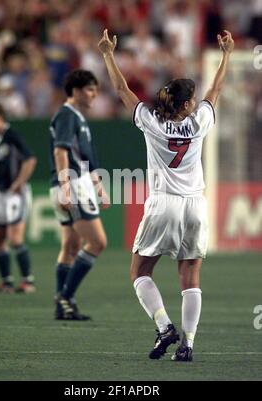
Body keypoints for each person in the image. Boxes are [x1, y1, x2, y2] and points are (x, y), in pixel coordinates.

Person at [98, 29, 234, 361]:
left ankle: (164, 327)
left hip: (163, 203)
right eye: (193, 97)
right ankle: (187, 344)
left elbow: (120, 89)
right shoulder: (200, 120)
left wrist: (107, 55)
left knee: (139, 272)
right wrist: (227, 55)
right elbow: (216, 89)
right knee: (190, 276)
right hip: (195, 205)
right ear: (188, 103)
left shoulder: (151, 121)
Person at [49, 69, 110, 320]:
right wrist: (66, 187)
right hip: (71, 184)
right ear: (75, 91)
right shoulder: (66, 115)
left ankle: (62, 306)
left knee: (71, 245)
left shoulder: (78, 118)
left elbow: (84, 158)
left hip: (77, 182)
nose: (94, 94)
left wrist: (98, 186)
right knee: (97, 242)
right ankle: (65, 296)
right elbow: (60, 152)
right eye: (90, 89)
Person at [0, 100, 37, 293]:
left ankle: (28, 281)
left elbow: (30, 159)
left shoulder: (12, 136)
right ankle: (6, 282)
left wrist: (19, 182)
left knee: (15, 238)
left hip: (15, 194)